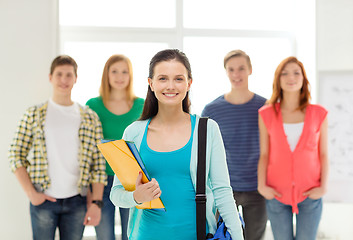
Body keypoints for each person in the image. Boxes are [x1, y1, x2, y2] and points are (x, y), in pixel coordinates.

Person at [109, 49, 244, 240]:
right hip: (146, 235)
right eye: (163, 78)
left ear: (189, 83)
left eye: (178, 79)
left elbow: (222, 192)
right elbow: (116, 194)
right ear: (151, 83)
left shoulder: (207, 130)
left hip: (196, 235)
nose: (170, 86)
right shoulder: (134, 132)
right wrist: (136, 197)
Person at [8, 55, 106, 240]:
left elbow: (98, 164)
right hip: (43, 199)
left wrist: (96, 203)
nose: (64, 80)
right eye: (59, 74)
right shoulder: (34, 114)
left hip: (77, 200)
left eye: (69, 75)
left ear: (75, 78)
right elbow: (15, 154)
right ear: (50, 77)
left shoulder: (89, 117)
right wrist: (31, 193)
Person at [258, 56, 328, 240]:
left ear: (304, 79)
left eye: (296, 73)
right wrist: (262, 186)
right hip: (276, 193)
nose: (291, 77)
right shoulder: (266, 113)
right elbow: (264, 154)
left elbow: (324, 154)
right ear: (278, 79)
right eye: (285, 73)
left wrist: (323, 187)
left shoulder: (319, 113)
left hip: (310, 193)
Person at [201, 50, 267, 240]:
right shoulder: (212, 109)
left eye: (241, 69)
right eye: (231, 69)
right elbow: (204, 152)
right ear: (226, 72)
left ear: (250, 70)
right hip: (224, 189)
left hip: (257, 189)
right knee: (222, 237)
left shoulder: (265, 107)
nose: (236, 74)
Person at [86, 54, 144, 240]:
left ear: (131, 75)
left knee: (132, 235)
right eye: (115, 71)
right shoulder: (92, 105)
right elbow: (87, 148)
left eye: (124, 72)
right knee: (104, 236)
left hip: (132, 181)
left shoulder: (141, 105)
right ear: (106, 75)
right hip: (101, 183)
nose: (120, 76)